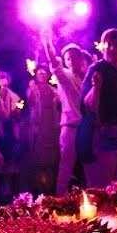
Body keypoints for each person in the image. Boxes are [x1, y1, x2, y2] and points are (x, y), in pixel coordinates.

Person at [79, 28, 117, 188]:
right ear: (102, 47)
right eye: (109, 44)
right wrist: (96, 88)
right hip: (103, 137)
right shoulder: (96, 69)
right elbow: (87, 105)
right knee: (101, 192)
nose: (113, 48)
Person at [41, 27, 87, 195]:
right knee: (65, 169)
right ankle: (59, 203)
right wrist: (47, 43)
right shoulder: (65, 76)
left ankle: (89, 204)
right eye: (67, 58)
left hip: (88, 131)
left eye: (74, 57)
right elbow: (53, 61)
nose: (70, 61)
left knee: (88, 170)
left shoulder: (88, 79)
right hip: (70, 129)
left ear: (81, 58)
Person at [0, 70, 23, 203]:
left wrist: (16, 114)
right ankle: (0, 197)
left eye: (6, 85)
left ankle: (14, 197)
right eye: (1, 86)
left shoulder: (15, 97)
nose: (3, 89)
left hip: (11, 135)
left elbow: (19, 117)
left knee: (13, 165)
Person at [26, 64, 61, 193]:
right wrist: (33, 90)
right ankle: (40, 191)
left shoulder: (54, 90)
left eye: (44, 72)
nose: (41, 73)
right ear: (36, 75)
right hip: (38, 129)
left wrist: (58, 100)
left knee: (51, 163)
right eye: (39, 72)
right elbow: (29, 103)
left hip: (52, 129)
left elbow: (60, 108)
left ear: (48, 74)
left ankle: (49, 191)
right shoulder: (32, 89)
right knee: (39, 163)